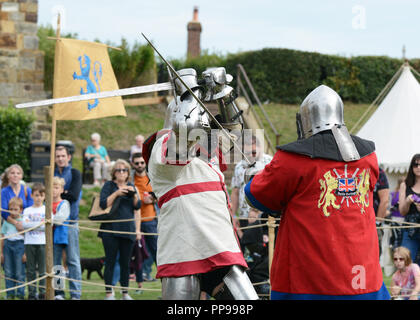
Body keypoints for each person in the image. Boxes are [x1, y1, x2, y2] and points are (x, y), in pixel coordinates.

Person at [245, 84, 390, 299]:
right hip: (363, 281)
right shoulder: (368, 158)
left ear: (305, 121)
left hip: (308, 285)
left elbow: (255, 196)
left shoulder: (292, 160)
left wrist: (255, 177)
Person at [144, 67, 258, 300]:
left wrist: (220, 92)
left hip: (219, 245)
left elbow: (235, 130)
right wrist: (189, 89)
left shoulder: (206, 150)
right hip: (183, 248)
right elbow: (184, 136)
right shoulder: (162, 146)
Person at [98, 159, 141, 300]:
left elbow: (137, 206)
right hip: (110, 229)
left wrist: (133, 193)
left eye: (124, 170)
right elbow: (103, 204)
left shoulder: (132, 186)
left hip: (127, 229)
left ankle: (125, 293)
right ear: (114, 173)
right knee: (110, 261)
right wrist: (117, 193)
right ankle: (109, 293)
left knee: (125, 263)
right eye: (118, 170)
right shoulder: (108, 185)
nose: (121, 172)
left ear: (128, 172)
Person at [54, 145, 83, 300]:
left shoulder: (75, 173)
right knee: (56, 260)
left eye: (63, 155)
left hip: (71, 222)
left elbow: (74, 195)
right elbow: (47, 195)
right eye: (57, 156)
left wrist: (60, 194)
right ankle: (58, 293)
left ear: (68, 157)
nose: (60, 158)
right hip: (54, 223)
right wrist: (63, 193)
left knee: (73, 260)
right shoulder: (51, 173)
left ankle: (75, 293)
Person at [230, 135, 272, 240]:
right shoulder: (239, 166)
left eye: (253, 152)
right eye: (246, 153)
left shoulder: (270, 163)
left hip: (265, 218)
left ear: (260, 148)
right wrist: (233, 215)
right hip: (244, 217)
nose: (250, 155)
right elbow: (235, 192)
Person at [131, 152, 158, 283]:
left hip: (151, 220)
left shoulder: (152, 176)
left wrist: (152, 199)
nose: (140, 165)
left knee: (157, 253)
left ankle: (165, 285)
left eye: (142, 162)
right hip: (133, 221)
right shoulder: (129, 179)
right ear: (132, 164)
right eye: (137, 163)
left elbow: (161, 193)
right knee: (136, 254)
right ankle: (137, 283)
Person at [22, 182, 46, 300]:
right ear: (32, 196)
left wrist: (33, 225)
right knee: (31, 270)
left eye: (41, 195)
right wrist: (39, 224)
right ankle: (32, 293)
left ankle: (42, 292)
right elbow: (25, 225)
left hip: (43, 242)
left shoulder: (46, 210)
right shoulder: (27, 210)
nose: (38, 198)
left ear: (44, 196)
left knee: (42, 270)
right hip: (30, 242)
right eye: (36, 195)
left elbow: (46, 226)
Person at [1, 197, 26, 299]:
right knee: (8, 271)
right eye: (10, 209)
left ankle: (20, 293)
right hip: (8, 246)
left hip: (19, 246)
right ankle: (10, 293)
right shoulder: (6, 222)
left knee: (19, 271)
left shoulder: (23, 221)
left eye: (15, 209)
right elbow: (2, 237)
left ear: (20, 210)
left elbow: (26, 238)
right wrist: (1, 253)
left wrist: (25, 253)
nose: (13, 212)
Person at [51, 176, 71, 300]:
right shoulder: (45, 203)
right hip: (45, 238)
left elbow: (59, 220)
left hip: (58, 238)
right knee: (48, 265)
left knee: (57, 265)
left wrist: (48, 219)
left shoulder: (64, 204)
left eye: (56, 187)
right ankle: (48, 290)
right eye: (51, 187)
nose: (53, 190)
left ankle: (59, 292)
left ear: (62, 189)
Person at [398, 154, 420, 264]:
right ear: (411, 167)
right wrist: (407, 202)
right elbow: (402, 211)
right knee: (406, 263)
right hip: (410, 229)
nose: (418, 167)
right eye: (416, 165)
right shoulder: (405, 185)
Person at [1, 164, 33, 231]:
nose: (15, 175)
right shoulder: (4, 191)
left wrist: (23, 223)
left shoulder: (27, 190)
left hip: (25, 225)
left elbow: (31, 208)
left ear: (21, 176)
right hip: (9, 225)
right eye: (12, 173)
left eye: (18, 173)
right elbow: (3, 211)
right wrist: (16, 223)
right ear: (8, 176)